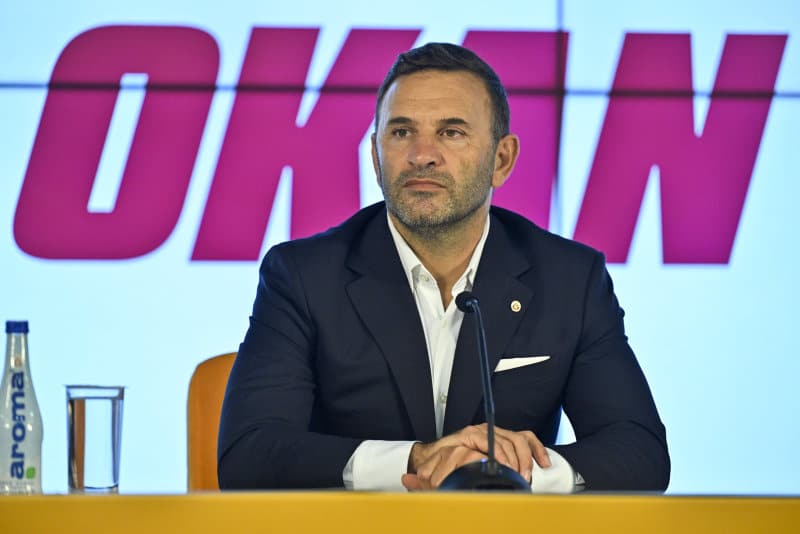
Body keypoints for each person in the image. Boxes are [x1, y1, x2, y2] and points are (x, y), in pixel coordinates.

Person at [217, 42, 670, 492]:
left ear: (502, 159)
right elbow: (248, 454)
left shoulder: (569, 279)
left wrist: (512, 469)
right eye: (401, 132)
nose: (422, 154)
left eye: (451, 132)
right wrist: (417, 460)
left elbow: (640, 453)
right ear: (375, 156)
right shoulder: (303, 276)